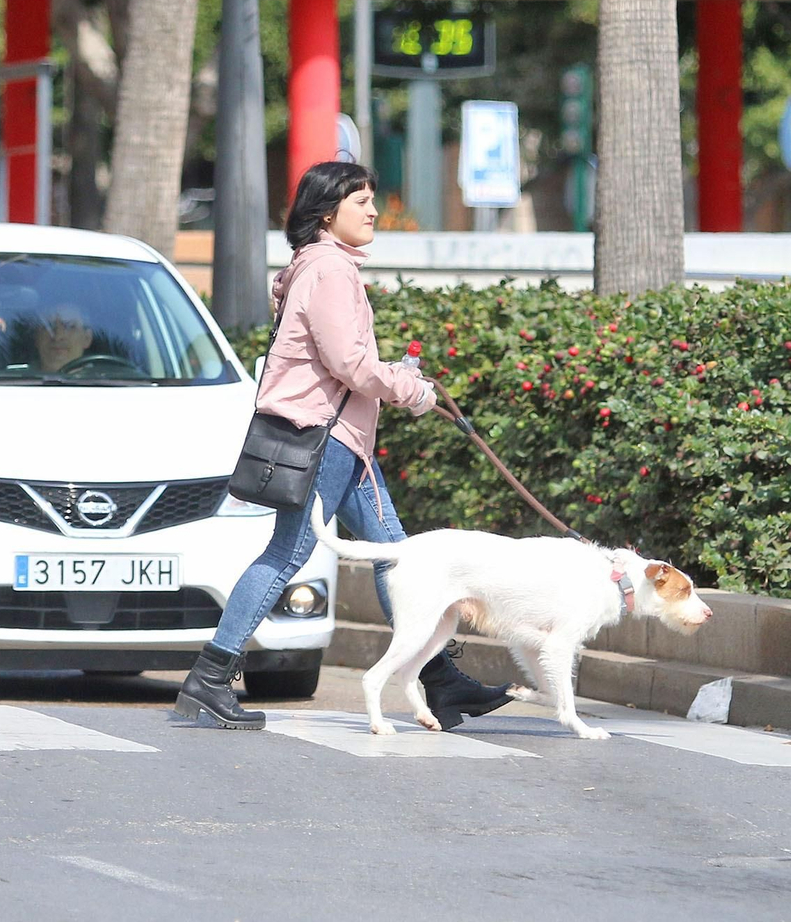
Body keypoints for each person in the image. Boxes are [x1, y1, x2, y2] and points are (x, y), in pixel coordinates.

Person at [174, 160, 512, 730]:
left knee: (396, 555)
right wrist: (410, 389)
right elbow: (349, 363)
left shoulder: (317, 267)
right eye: (361, 201)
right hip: (323, 441)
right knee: (287, 555)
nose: (374, 210)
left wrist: (397, 380)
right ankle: (209, 679)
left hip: (343, 440)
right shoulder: (329, 270)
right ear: (328, 212)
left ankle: (440, 681)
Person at [33, 302, 93, 371]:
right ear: (36, 337)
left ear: (87, 338)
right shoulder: (19, 378)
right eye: (48, 326)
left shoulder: (103, 379)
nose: (57, 337)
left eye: (69, 326)